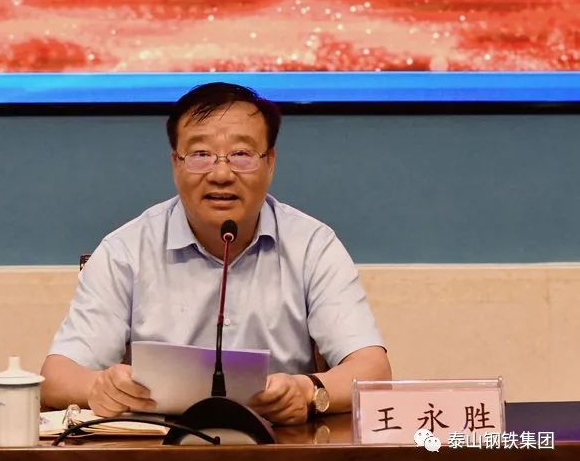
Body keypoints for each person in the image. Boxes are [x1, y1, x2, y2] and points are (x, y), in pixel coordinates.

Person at [41, 82, 391, 425]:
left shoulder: (312, 245)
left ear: (270, 162)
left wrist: (309, 391)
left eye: (241, 155)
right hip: (158, 448)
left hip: (279, 446)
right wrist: (99, 388)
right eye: (200, 155)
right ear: (176, 163)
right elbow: (56, 377)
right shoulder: (125, 250)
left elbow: (372, 370)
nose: (221, 174)